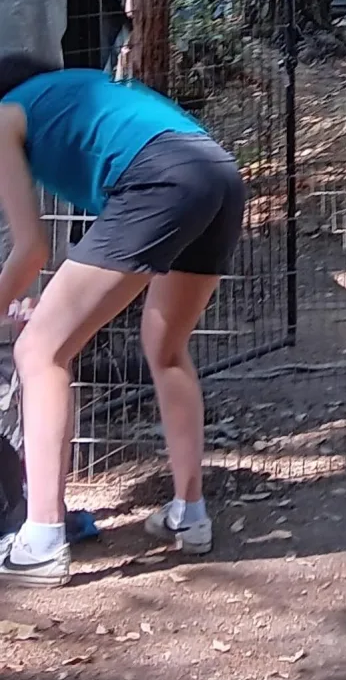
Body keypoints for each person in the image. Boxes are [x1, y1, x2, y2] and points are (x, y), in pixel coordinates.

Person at [0, 58, 246, 587]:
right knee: (165, 346)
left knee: (38, 353)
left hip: (160, 178)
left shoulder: (4, 116)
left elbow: (31, 248)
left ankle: (40, 541)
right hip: (218, 172)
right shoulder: (69, 91)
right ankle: (190, 513)